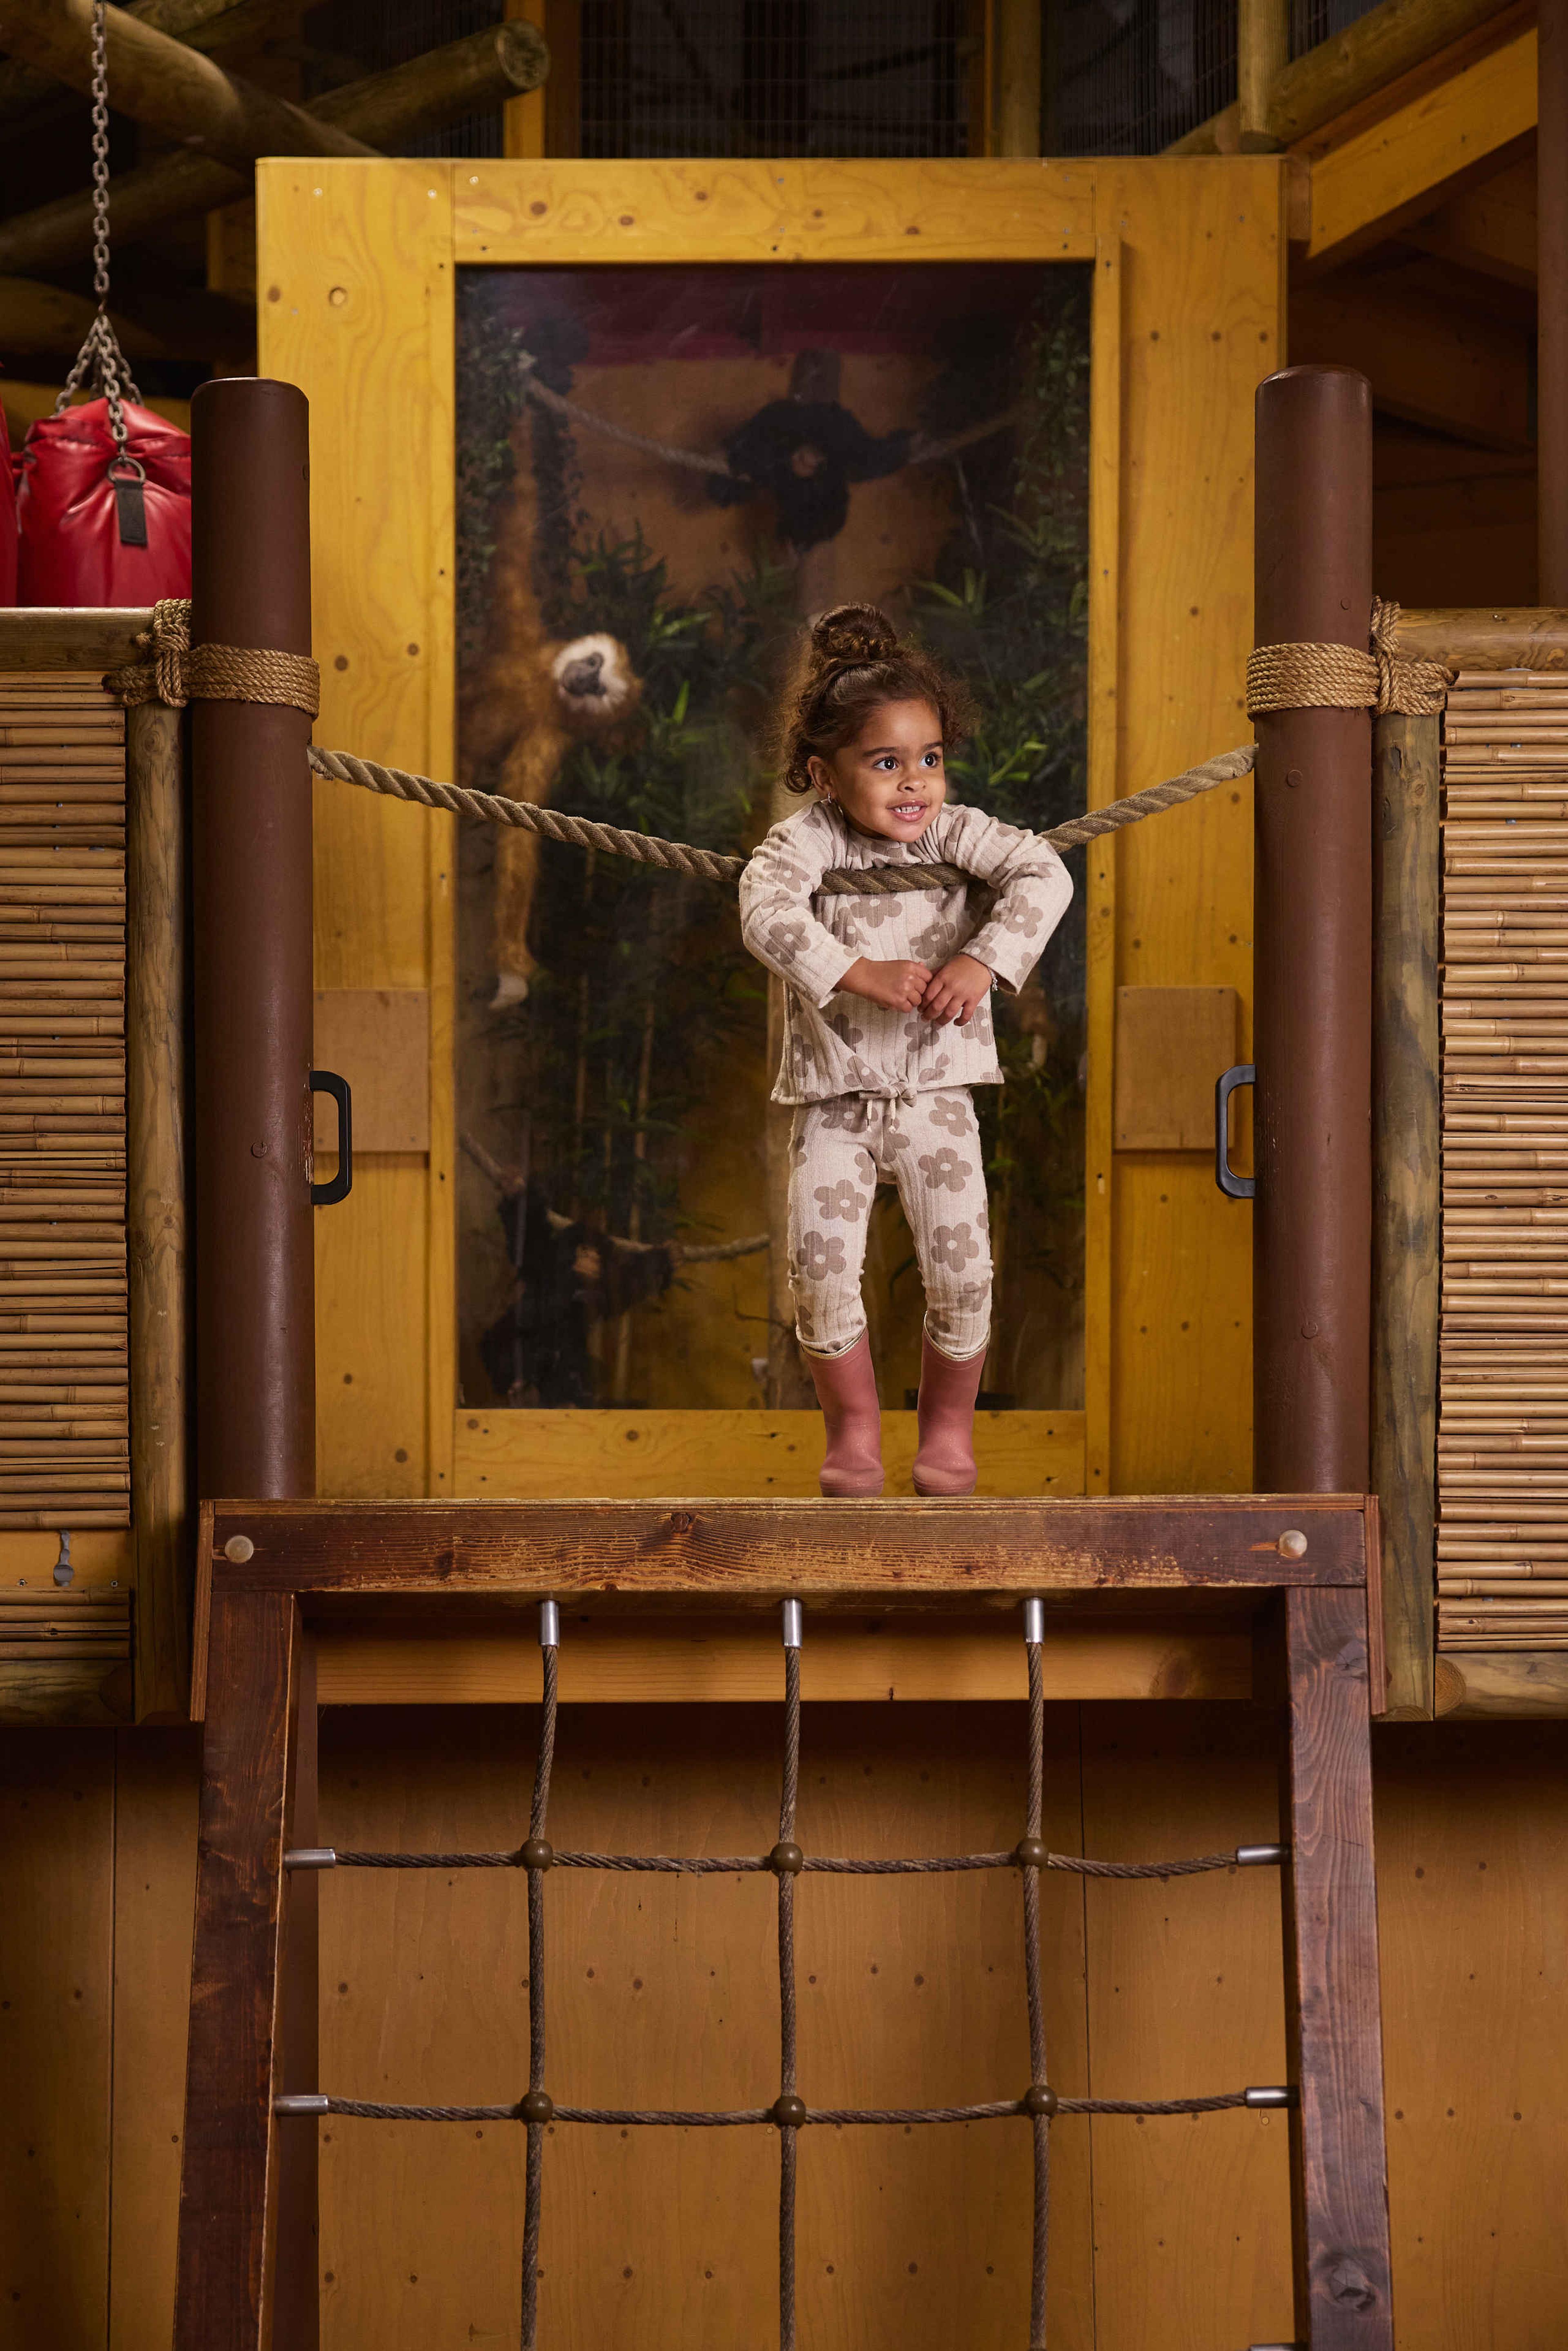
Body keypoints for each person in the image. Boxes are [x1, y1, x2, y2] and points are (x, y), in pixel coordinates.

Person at [739, 604, 1073, 1497]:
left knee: (963, 1270)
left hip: (936, 1097)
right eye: (885, 762)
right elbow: (764, 911)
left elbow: (1045, 872)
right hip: (835, 1103)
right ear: (825, 773)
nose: (915, 781)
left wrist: (982, 959)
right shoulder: (806, 841)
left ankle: (948, 1431)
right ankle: (853, 1431)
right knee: (819, 1273)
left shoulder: (953, 832)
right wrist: (855, 971)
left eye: (929, 758)